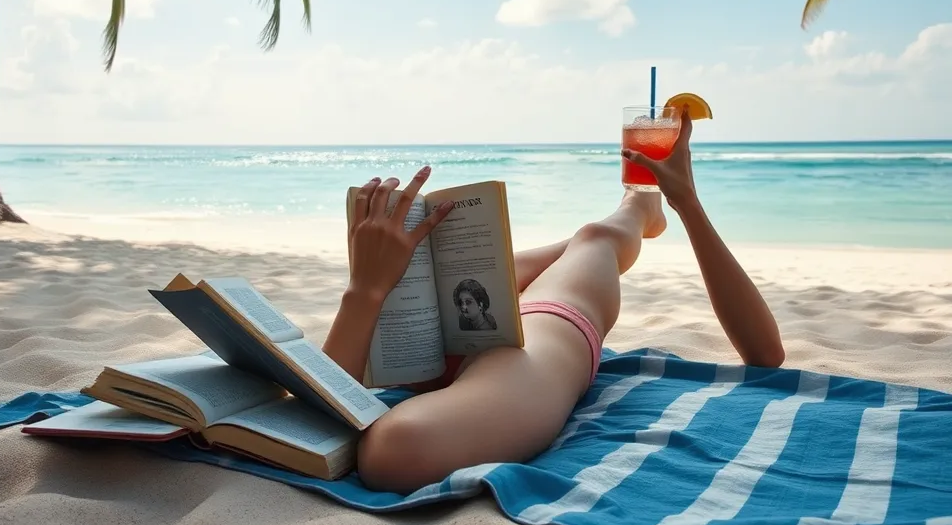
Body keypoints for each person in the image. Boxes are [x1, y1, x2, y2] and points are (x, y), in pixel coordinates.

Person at [322, 110, 784, 494]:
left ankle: (639, 208)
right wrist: (367, 287)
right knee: (584, 245)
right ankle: (620, 216)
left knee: (596, 240)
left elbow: (766, 357)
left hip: (533, 339)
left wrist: (689, 202)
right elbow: (325, 414)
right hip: (437, 329)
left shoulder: (410, 441)